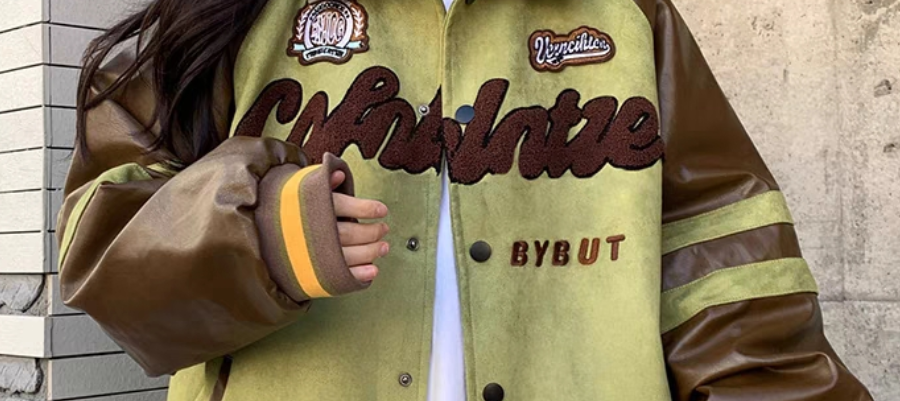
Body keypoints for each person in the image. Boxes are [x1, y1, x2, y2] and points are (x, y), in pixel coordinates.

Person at [58, 0, 873, 400]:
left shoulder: (628, 17)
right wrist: (259, 233)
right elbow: (99, 245)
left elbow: (732, 287)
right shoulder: (230, 16)